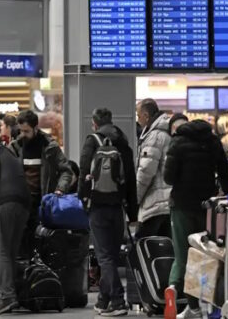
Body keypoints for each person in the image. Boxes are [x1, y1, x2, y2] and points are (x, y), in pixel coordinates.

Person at [163, 114, 228, 319]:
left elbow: (168, 178)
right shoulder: (212, 141)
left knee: (183, 254)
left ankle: (179, 294)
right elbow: (224, 171)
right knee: (204, 255)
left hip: (181, 205)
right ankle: (202, 304)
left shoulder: (177, 142)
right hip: (206, 207)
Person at [78, 108, 137, 317]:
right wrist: (133, 213)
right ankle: (103, 300)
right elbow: (131, 180)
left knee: (104, 257)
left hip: (98, 207)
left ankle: (118, 301)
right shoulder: (123, 142)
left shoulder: (92, 141)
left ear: (94, 123)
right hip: (118, 207)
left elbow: (84, 172)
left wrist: (82, 200)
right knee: (110, 255)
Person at [11, 110, 73, 256]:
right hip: (22, 204)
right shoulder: (15, 147)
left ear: (36, 128)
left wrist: (60, 189)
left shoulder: (49, 146)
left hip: (43, 203)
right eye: (21, 131)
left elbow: (66, 171)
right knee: (22, 245)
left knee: (42, 244)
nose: (23, 134)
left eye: (26, 131)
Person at [0, 141, 31, 315]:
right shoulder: (12, 157)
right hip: (24, 204)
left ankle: (7, 296)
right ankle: (11, 293)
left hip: (4, 202)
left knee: (1, 251)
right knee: (10, 252)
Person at [135, 99, 172, 238]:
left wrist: (135, 199)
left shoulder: (154, 137)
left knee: (142, 243)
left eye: (138, 116)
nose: (138, 120)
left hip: (155, 203)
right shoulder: (165, 132)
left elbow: (145, 172)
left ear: (146, 116)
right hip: (167, 202)